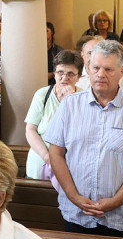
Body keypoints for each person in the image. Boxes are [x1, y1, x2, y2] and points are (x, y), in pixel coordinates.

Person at [44, 40, 123, 238]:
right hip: (76, 211)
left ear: (122, 71)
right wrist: (74, 196)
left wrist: (116, 201)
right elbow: (56, 153)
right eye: (95, 68)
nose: (100, 74)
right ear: (88, 69)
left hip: (120, 215)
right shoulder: (70, 105)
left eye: (108, 69)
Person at [25, 50, 83, 180]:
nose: (64, 78)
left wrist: (69, 103)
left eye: (70, 74)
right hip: (40, 162)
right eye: (60, 72)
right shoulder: (42, 94)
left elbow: (80, 133)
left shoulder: (84, 98)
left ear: (79, 77)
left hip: (71, 166)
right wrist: (47, 157)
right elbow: (30, 130)